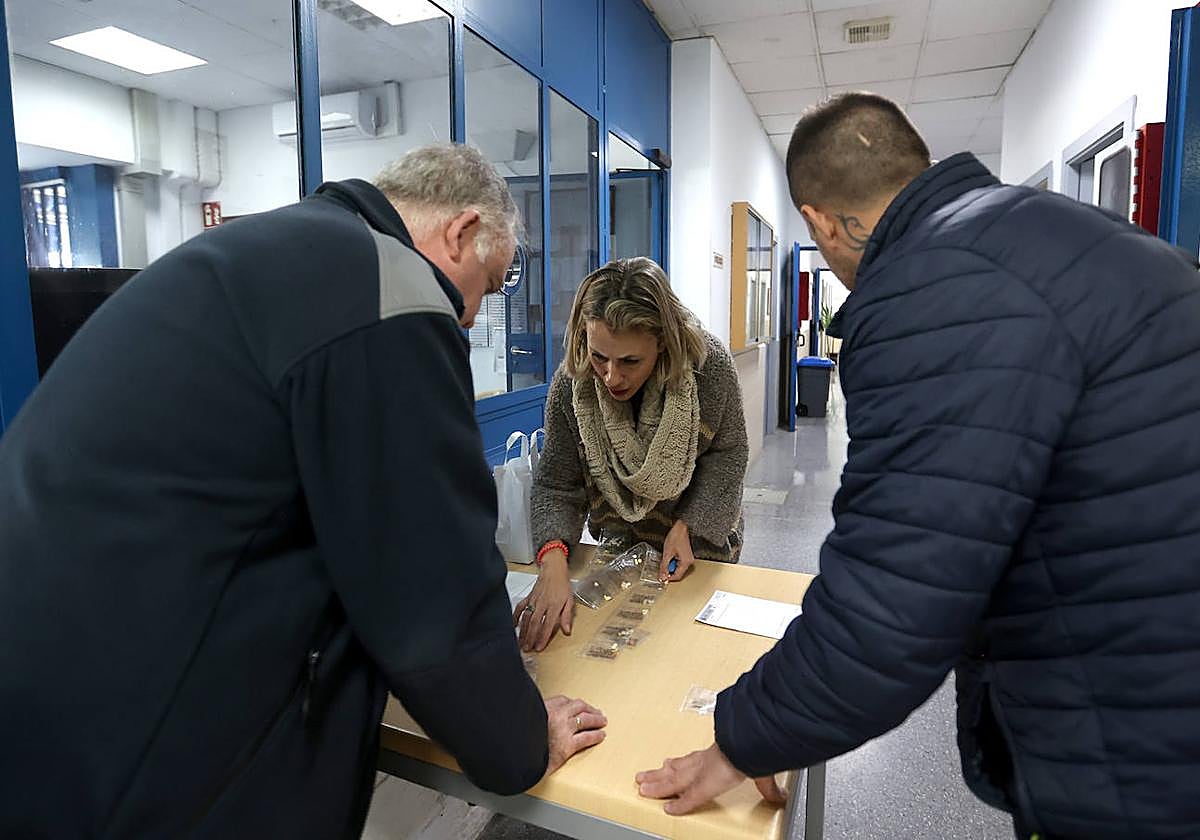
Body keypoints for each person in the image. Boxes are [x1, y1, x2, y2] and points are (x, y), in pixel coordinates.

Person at [0, 143, 606, 838]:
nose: (470, 319)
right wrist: (522, 740)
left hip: (55, 697)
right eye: (488, 286)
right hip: (140, 748)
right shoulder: (392, 292)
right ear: (462, 233)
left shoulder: (271, 250)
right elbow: (434, 588)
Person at [637, 93, 1200, 839]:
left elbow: (889, 603)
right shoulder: (1061, 232)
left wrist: (742, 739)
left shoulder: (936, 294)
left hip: (1146, 736)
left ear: (820, 223)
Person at [514, 257, 749, 652]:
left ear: (662, 342)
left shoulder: (709, 369)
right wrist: (552, 564)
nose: (610, 377)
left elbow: (729, 455)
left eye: (629, 361)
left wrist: (689, 526)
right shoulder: (573, 385)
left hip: (697, 555)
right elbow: (556, 482)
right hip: (619, 550)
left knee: (683, 660)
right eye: (599, 356)